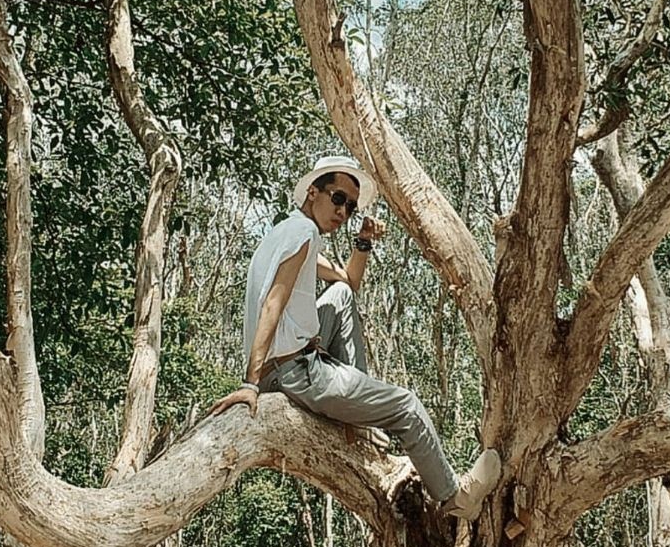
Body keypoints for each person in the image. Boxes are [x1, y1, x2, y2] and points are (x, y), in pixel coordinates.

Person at [211, 155, 501, 518]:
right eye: (337, 199)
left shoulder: (291, 232)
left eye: (349, 206)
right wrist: (249, 384)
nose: (343, 211)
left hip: (286, 364)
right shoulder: (303, 234)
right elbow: (274, 302)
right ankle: (454, 498)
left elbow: (348, 283)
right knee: (406, 406)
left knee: (341, 297)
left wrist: (362, 242)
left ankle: (358, 421)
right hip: (292, 372)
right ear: (313, 192)